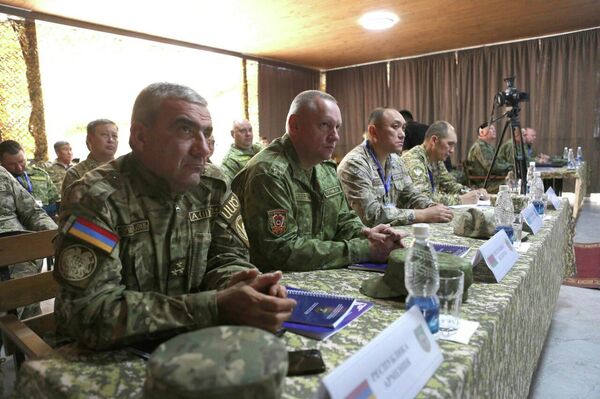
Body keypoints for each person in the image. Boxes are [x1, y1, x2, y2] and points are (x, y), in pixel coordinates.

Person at [54, 82, 295, 351]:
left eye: (206, 134)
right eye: (185, 130)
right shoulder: (95, 198)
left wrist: (243, 285)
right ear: (141, 137)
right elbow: (89, 314)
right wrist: (214, 306)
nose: (203, 149)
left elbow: (227, 257)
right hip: (111, 354)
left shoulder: (212, 185)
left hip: (196, 341)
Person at [232, 90, 405, 272]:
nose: (335, 136)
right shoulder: (268, 173)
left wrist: (368, 234)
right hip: (279, 284)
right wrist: (364, 249)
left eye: (337, 127)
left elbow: (343, 220)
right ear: (295, 125)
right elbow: (282, 252)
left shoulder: (324, 168)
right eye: (325, 125)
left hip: (321, 272)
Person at [337, 107, 453, 226]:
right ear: (373, 132)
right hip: (364, 238)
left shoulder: (395, 160)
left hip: (390, 232)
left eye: (403, 128)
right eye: (395, 127)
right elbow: (371, 215)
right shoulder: (355, 163)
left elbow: (411, 194)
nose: (402, 134)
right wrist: (423, 214)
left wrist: (432, 207)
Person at [0, 165, 57, 319]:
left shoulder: (2, 174)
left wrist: (55, 235)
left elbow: (32, 211)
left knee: (30, 321)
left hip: (21, 255)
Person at [401, 121, 488, 205]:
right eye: (450, 144)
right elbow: (423, 199)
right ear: (434, 140)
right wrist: (460, 200)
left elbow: (450, 185)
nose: (452, 151)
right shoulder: (413, 159)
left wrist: (475, 194)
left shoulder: (436, 159)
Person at [0, 140, 60, 217]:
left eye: (21, 161)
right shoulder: (2, 180)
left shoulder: (41, 174)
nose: (19, 167)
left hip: (46, 221)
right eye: (12, 164)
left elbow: (55, 201)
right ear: (1, 163)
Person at [61, 119, 119, 197]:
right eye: (104, 135)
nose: (111, 140)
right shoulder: (75, 174)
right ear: (89, 140)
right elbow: (72, 207)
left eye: (114, 136)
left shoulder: (126, 168)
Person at [467, 122, 512, 192]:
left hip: (492, 180)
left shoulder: (488, 147)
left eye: (494, 129)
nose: (494, 130)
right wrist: (509, 167)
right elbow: (492, 167)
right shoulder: (480, 146)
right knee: (514, 184)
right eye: (491, 128)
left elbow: (500, 161)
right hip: (484, 183)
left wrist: (510, 166)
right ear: (482, 133)